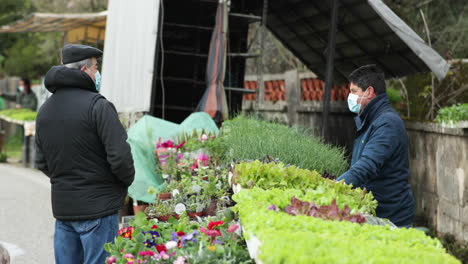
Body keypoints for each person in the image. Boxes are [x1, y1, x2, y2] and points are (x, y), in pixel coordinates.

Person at [35, 44, 135, 264]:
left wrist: (66, 180)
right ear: (84, 71)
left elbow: (41, 161)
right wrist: (122, 184)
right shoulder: (98, 106)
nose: (97, 73)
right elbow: (120, 157)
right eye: (96, 67)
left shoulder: (45, 110)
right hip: (99, 209)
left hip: (64, 210)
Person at [336, 65, 415, 228]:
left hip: (392, 216)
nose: (349, 96)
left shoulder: (387, 123)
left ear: (369, 92)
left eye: (354, 91)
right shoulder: (371, 119)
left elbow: (367, 165)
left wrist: (333, 187)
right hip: (377, 211)